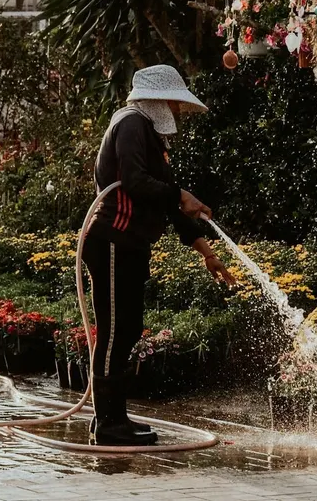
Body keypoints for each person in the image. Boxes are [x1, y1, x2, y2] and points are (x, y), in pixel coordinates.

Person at [84, 64, 236, 446]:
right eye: (175, 102)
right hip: (112, 241)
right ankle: (106, 423)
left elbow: (168, 201)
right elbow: (136, 182)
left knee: (128, 329)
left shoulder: (149, 135)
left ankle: (115, 417)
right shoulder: (132, 123)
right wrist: (178, 195)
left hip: (131, 244)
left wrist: (205, 251)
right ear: (158, 99)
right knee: (116, 330)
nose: (178, 110)